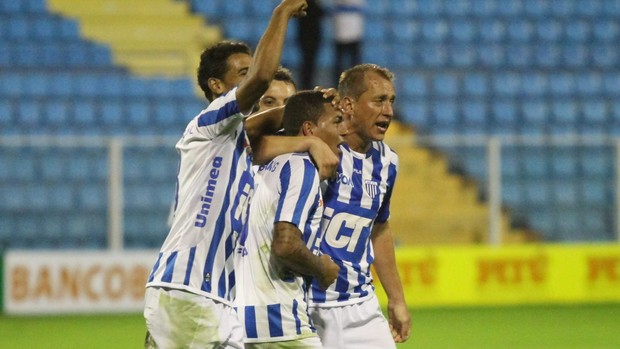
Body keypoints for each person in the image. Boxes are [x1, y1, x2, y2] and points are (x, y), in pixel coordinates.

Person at [143, 2, 337, 348]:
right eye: (242, 74)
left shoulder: (238, 140)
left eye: (251, 72)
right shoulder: (208, 126)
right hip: (190, 287)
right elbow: (265, 78)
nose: (254, 83)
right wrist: (282, 13)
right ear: (217, 86)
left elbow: (278, 121)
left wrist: (315, 110)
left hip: (216, 297)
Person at [308, 64, 411, 348]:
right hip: (306, 305)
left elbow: (379, 228)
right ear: (349, 105)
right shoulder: (314, 148)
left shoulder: (388, 162)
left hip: (360, 304)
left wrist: (397, 299)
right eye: (379, 100)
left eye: (391, 101)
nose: (388, 111)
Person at [235, 90, 347, 348]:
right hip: (278, 321)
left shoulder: (266, 167)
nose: (344, 131)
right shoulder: (302, 169)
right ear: (309, 129)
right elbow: (285, 244)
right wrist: (322, 269)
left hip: (243, 317)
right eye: (337, 121)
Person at [331, 0, 365, 86]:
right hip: (340, 34)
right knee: (339, 64)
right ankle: (338, 86)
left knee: (355, 65)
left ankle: (356, 85)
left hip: (354, 34)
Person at [296, 0, 324, 89]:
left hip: (306, 37)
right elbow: (320, 12)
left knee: (307, 61)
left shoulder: (302, 5)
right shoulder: (309, 4)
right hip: (310, 38)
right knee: (308, 62)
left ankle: (306, 83)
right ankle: (306, 84)